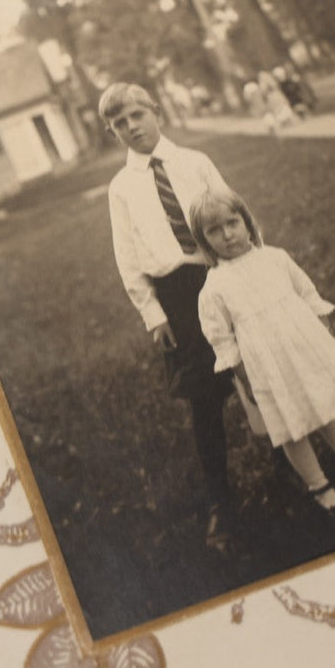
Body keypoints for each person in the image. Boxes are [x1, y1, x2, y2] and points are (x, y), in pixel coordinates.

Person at [189, 189, 335, 512]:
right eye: (214, 230)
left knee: (326, 406)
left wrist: (320, 334)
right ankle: (319, 485)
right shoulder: (213, 288)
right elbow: (221, 340)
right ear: (203, 240)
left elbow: (306, 291)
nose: (227, 235)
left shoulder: (275, 258)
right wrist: (245, 378)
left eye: (232, 223)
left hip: (302, 348)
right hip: (264, 365)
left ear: (247, 221)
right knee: (289, 425)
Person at [100, 82, 238, 544]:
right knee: (204, 398)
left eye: (137, 115)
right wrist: (152, 312)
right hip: (177, 295)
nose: (131, 127)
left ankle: (301, 466)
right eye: (119, 123)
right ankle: (222, 500)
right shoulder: (121, 188)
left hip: (222, 274)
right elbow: (127, 256)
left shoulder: (194, 162)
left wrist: (250, 266)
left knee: (261, 374)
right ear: (112, 131)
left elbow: (235, 214)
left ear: (155, 111)